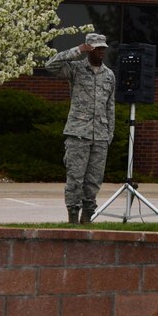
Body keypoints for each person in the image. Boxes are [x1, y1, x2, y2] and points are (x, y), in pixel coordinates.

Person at [43, 31, 116, 224]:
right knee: (75, 179)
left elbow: (110, 106)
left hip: (100, 136)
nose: (101, 52)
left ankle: (87, 217)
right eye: (96, 48)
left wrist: (109, 135)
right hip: (78, 134)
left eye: (103, 49)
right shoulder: (75, 69)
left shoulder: (109, 76)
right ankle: (73, 217)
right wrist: (76, 50)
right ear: (88, 49)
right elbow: (50, 66)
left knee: (93, 182)